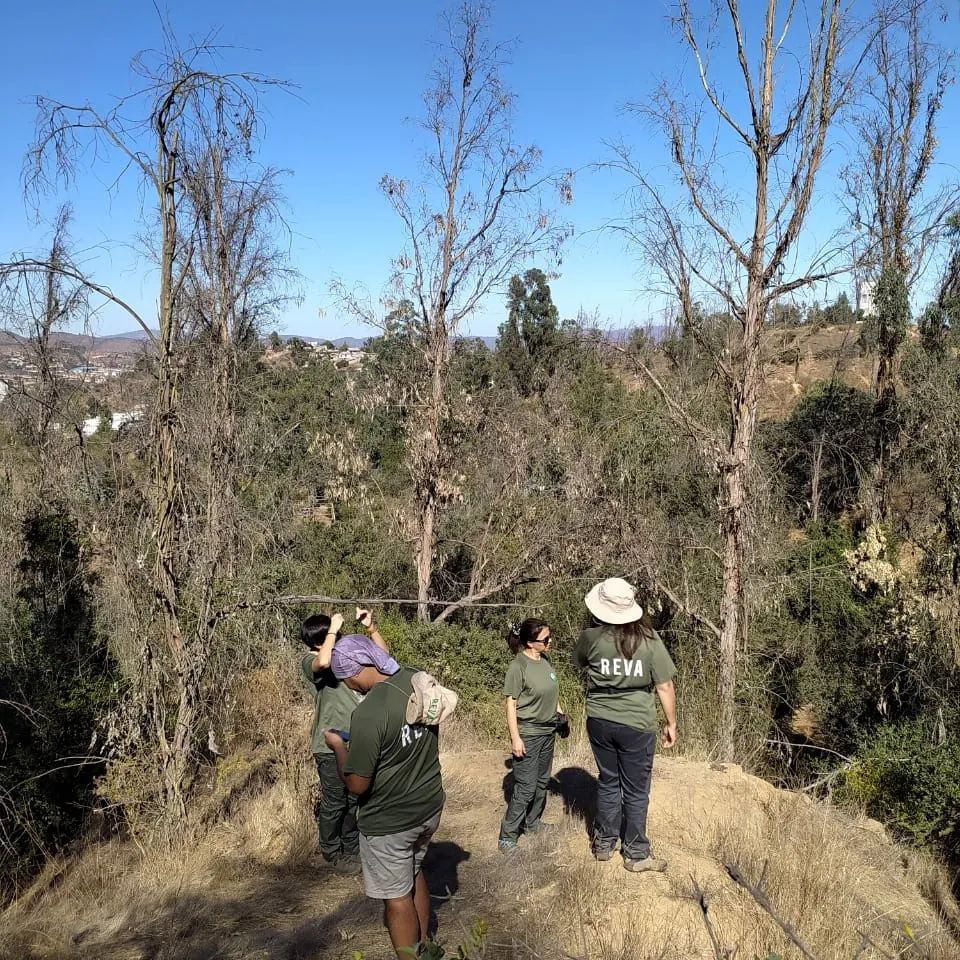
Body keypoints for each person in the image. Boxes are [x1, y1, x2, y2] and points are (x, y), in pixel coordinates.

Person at [323, 635, 445, 959]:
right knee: (414, 872)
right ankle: (426, 948)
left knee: (396, 897)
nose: (348, 686)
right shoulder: (415, 678)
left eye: (345, 678)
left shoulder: (369, 713)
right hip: (429, 803)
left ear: (356, 669)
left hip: (391, 820)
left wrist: (338, 747)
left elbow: (357, 785)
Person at [574, 577, 678, 873]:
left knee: (608, 780)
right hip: (637, 723)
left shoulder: (590, 638)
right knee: (635, 789)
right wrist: (672, 723)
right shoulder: (649, 640)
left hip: (600, 719)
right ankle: (635, 853)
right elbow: (665, 686)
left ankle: (604, 844)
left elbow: (579, 662)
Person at [300, 607, 387, 875]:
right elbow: (322, 662)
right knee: (335, 801)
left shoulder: (346, 656)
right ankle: (330, 850)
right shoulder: (311, 661)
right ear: (319, 640)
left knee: (355, 799)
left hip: (359, 741)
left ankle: (352, 848)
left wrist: (371, 629)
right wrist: (334, 628)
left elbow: (383, 657)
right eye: (330, 635)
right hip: (329, 745)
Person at [498, 618, 565, 853]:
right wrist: (515, 738)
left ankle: (533, 822)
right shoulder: (518, 667)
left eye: (550, 636)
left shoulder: (545, 660)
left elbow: (551, 691)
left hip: (548, 731)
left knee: (542, 782)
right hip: (529, 733)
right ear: (529, 643)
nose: (550, 641)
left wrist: (560, 715)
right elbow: (510, 704)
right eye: (545, 639)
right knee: (525, 787)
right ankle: (508, 836)